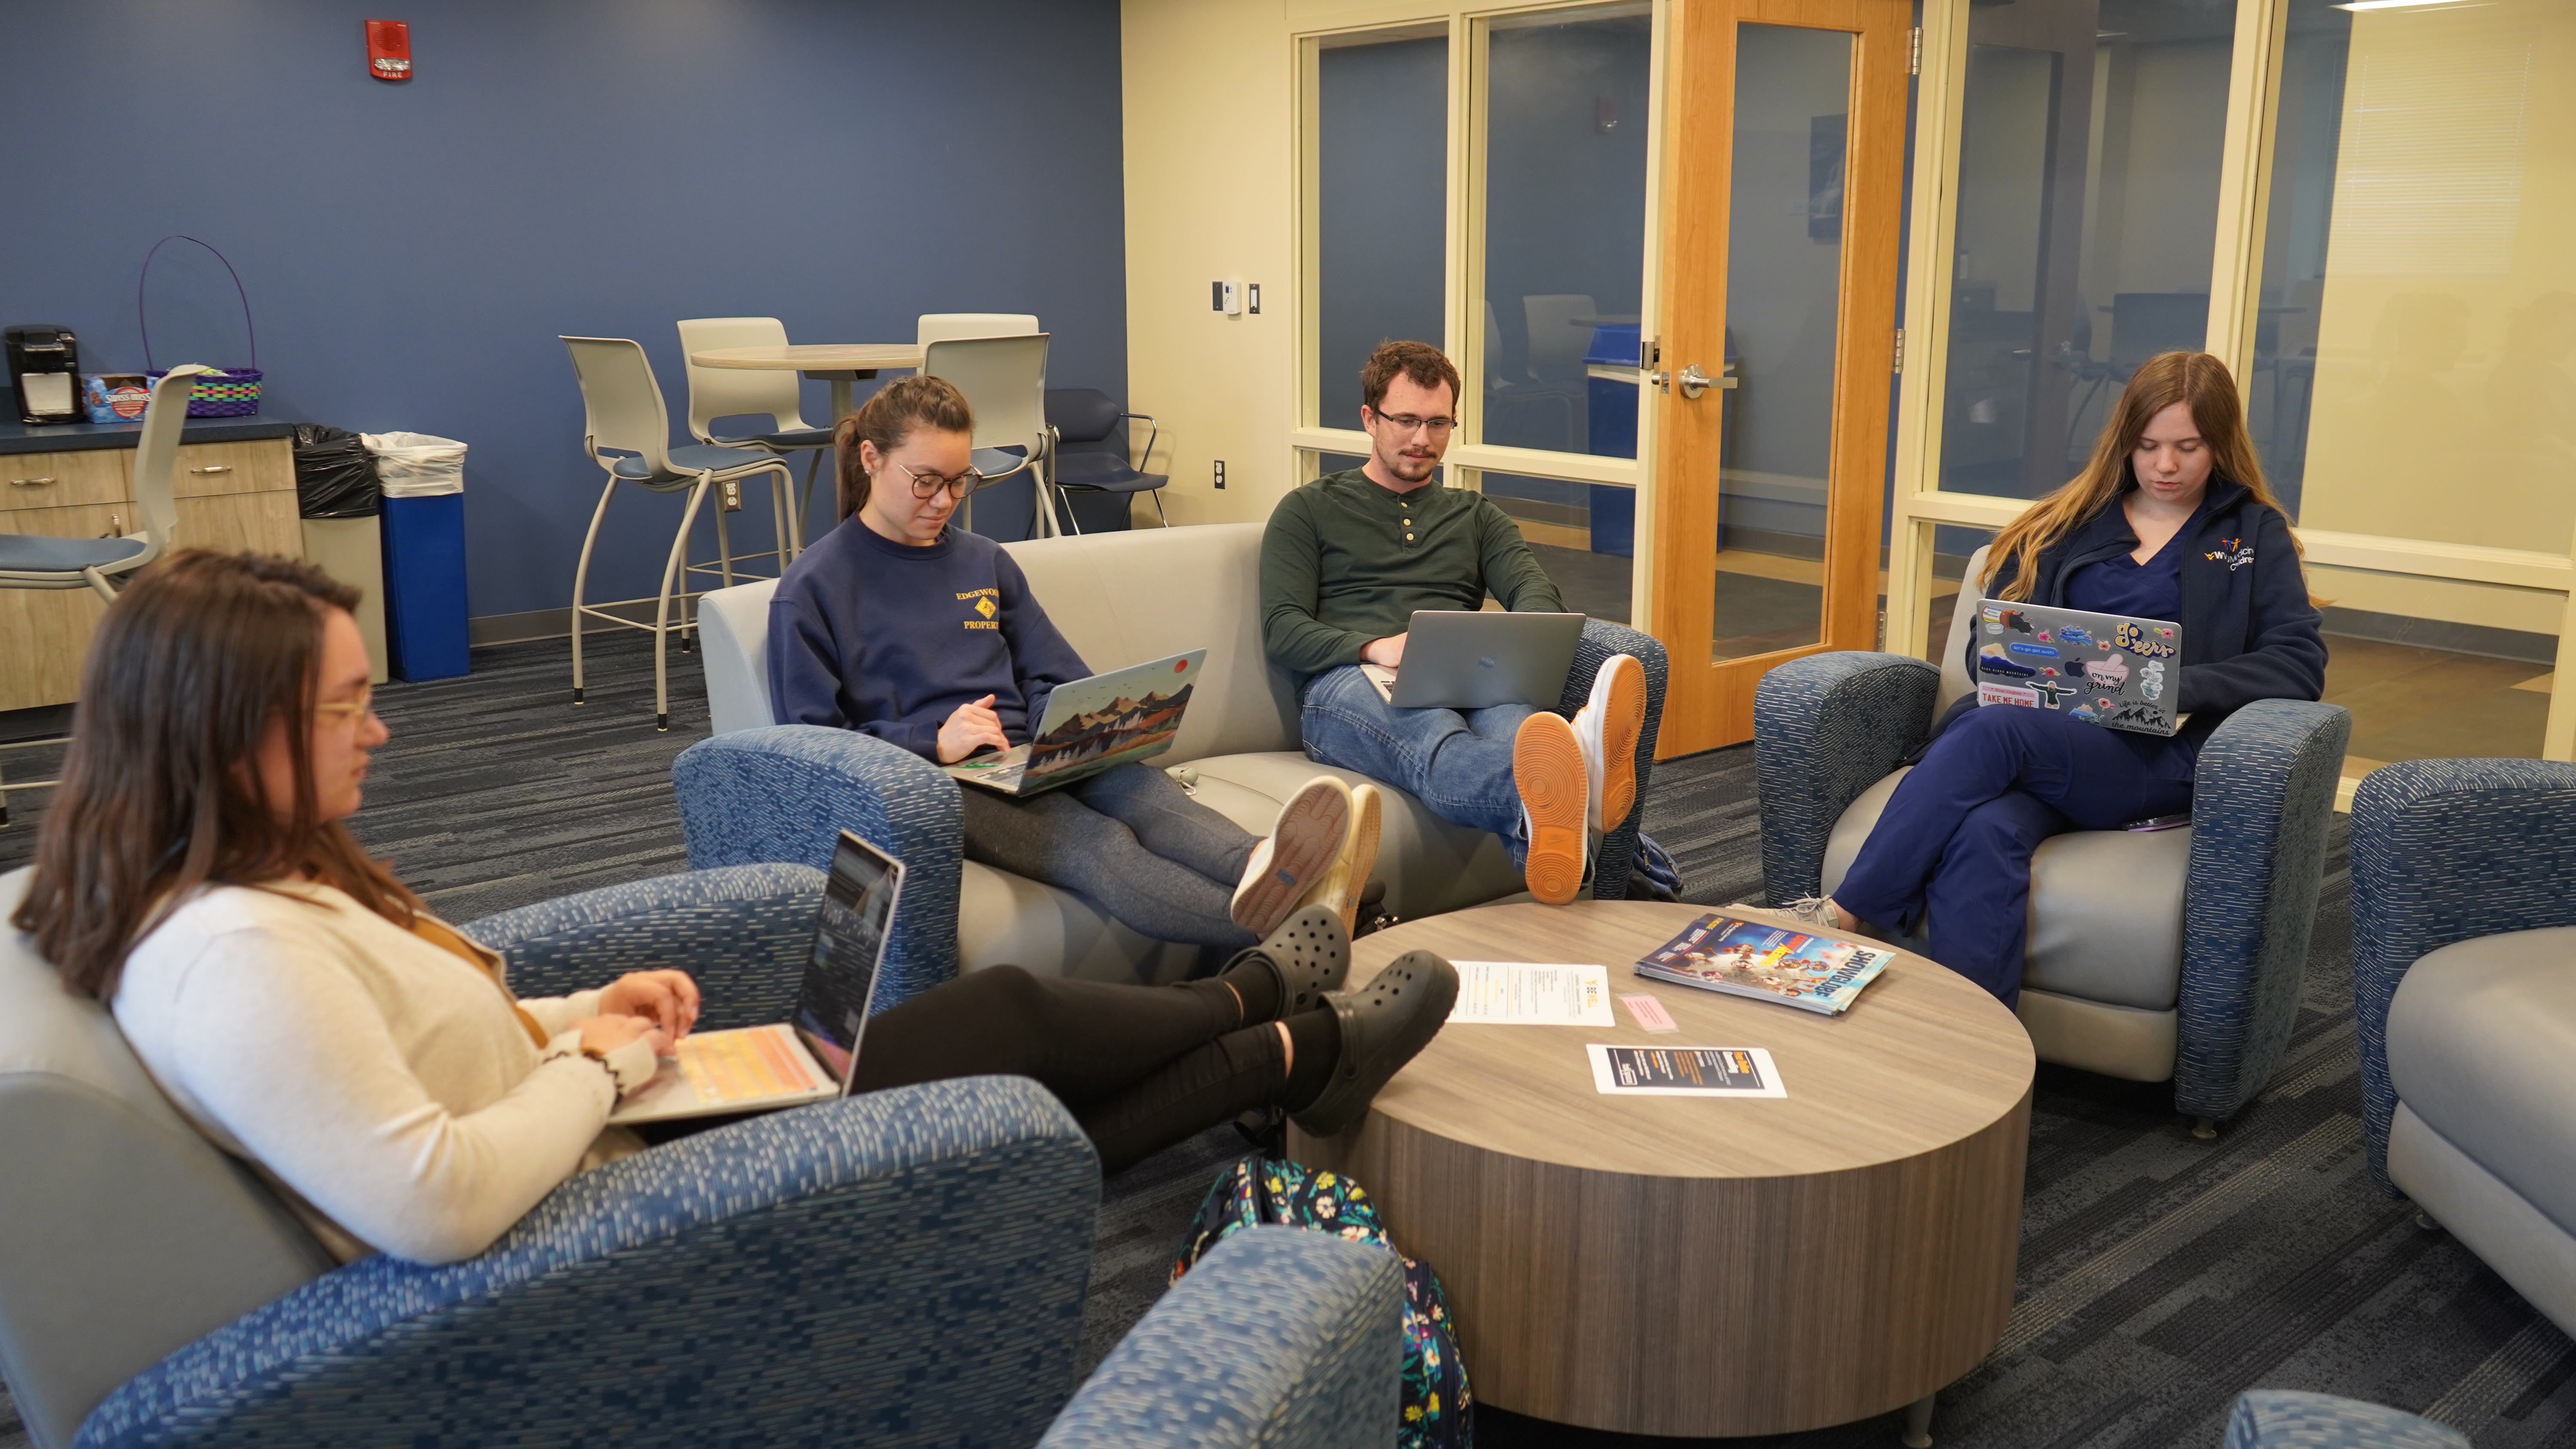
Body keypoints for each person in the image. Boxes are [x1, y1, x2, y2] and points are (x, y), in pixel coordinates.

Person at [12, 550, 1458, 1265]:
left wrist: (583, 1012)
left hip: (617, 1126)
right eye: (342, 706)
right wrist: (599, 1062)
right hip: (617, 1206)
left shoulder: (240, 882)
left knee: (1007, 1017)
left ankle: (1279, 1024)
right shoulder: (232, 958)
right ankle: (1273, 1023)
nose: (379, 733)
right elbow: (432, 1203)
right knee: (1016, 1110)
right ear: (227, 728)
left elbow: (402, 1059)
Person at [767, 376, 1376, 953]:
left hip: (1034, 755)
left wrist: (1069, 726)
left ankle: (1278, 869)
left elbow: (1052, 671)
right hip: (942, 782)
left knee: (1157, 802)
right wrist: (933, 742)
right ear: (871, 459)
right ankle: (1305, 928)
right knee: (1101, 846)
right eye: (926, 480)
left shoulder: (984, 561)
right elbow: (813, 749)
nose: (946, 501)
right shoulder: (815, 588)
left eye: (961, 481)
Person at [1795, 352, 2327, 1006]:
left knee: (1996, 732)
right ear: (2123, 443)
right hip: (2046, 750)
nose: (2166, 466)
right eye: (2149, 446)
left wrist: (2160, 685)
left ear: (2219, 443)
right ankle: (1977, 1054)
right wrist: (2038, 669)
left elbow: (2298, 665)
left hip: (2155, 759)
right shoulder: (2065, 523)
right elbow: (1984, 650)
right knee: (1982, 832)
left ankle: (1847, 913)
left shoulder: (2252, 534)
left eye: (2188, 447)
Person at [1262, 340, 1648, 907]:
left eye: (1438, 423)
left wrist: (1520, 638)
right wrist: (1374, 648)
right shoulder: (1309, 509)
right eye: (1407, 421)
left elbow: (1534, 588)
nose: (1423, 439)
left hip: (1464, 677)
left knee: (1522, 730)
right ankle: (1578, 788)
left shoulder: (1476, 516)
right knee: (1434, 737)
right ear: (1370, 419)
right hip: (1346, 685)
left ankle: (1560, 864)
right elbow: (1282, 626)